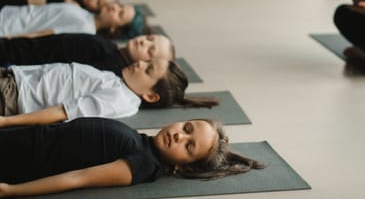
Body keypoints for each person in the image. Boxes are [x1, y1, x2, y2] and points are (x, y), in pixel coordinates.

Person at [0, 117, 264, 196]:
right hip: (23, 139)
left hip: (19, 159)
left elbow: (78, 178)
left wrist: (11, 191)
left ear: (183, 167)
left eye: (188, 146)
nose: (179, 136)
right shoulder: (142, 142)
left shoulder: (143, 164)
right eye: (186, 128)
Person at [0, 58, 218, 125]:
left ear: (150, 95)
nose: (140, 62)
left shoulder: (120, 99)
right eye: (147, 61)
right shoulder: (119, 83)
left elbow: (64, 112)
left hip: (13, 96)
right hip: (14, 79)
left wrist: (7, 122)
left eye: (148, 69)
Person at [0, 33, 175, 77]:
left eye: (150, 50)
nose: (144, 42)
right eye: (149, 38)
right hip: (15, 48)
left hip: (12, 61)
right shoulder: (110, 47)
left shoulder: (111, 65)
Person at [0, 2, 146, 40]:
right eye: (120, 5)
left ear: (115, 28)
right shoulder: (85, 14)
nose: (115, 7)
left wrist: (7, 40)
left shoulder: (84, 28)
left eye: (120, 14)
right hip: (8, 15)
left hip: (7, 29)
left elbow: (43, 34)